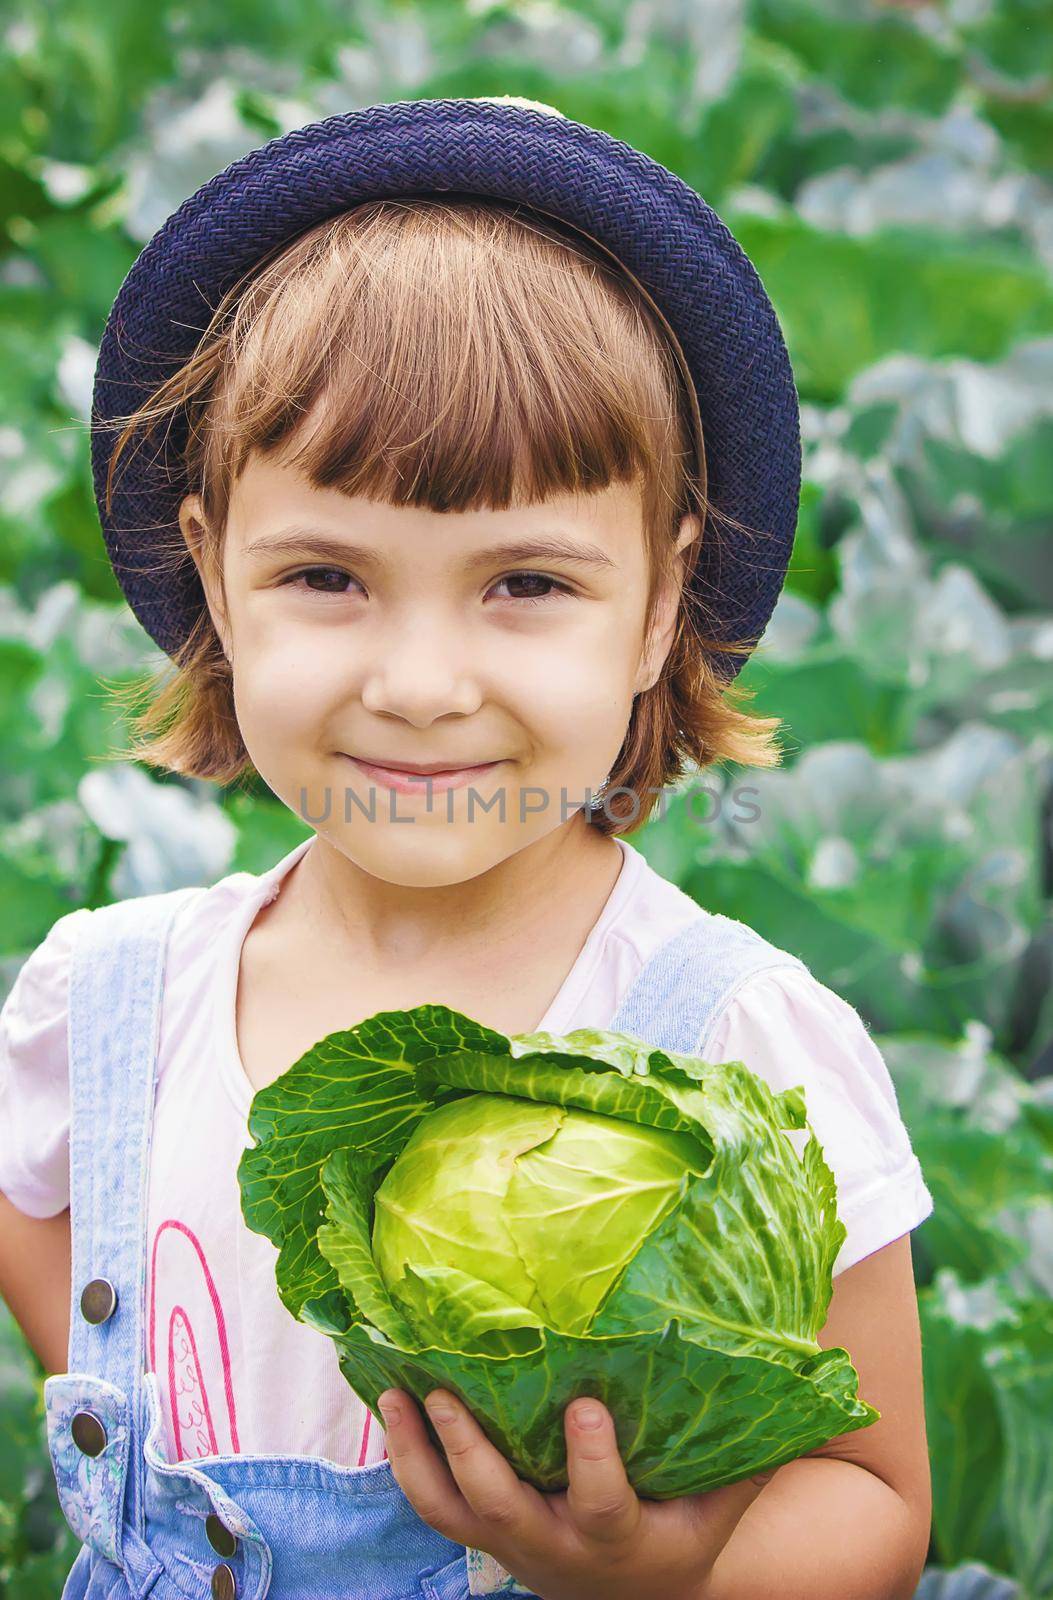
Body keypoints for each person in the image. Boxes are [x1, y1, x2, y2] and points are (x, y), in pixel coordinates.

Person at [0, 96, 934, 1600]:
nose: (421, 684)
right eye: (325, 576)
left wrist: (649, 1571)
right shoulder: (107, 1000)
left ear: (653, 607)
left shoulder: (744, 1040)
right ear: (217, 591)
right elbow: (59, 1234)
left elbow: (877, 1497)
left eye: (522, 584)